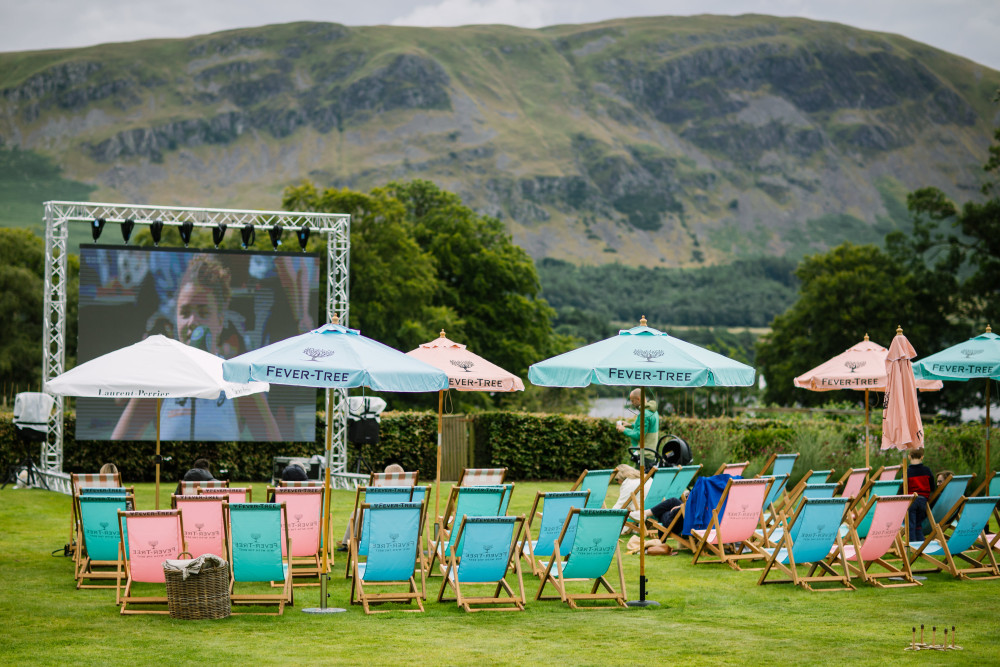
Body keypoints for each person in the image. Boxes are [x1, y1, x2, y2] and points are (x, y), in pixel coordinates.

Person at [112, 255, 281, 442]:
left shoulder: (241, 381)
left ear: (220, 320)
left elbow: (274, 447)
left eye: (203, 312)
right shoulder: (159, 380)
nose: (192, 321)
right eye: (185, 313)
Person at [339, 463, 408, 551]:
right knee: (359, 511)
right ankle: (350, 542)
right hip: (402, 515)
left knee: (359, 512)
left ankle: (350, 542)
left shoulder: (384, 488)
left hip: (383, 516)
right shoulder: (408, 489)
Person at [616, 389, 659, 468]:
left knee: (639, 476)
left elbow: (639, 435)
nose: (632, 403)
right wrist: (630, 425)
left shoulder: (644, 414)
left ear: (639, 399)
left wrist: (624, 429)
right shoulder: (653, 411)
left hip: (644, 455)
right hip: (651, 453)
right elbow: (647, 429)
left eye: (632, 401)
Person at [905, 447, 936, 542]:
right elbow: (932, 487)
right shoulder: (927, 470)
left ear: (909, 456)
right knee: (918, 525)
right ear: (922, 457)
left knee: (911, 524)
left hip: (911, 500)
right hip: (923, 500)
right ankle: (921, 544)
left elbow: (903, 489)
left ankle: (912, 545)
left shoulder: (907, 472)